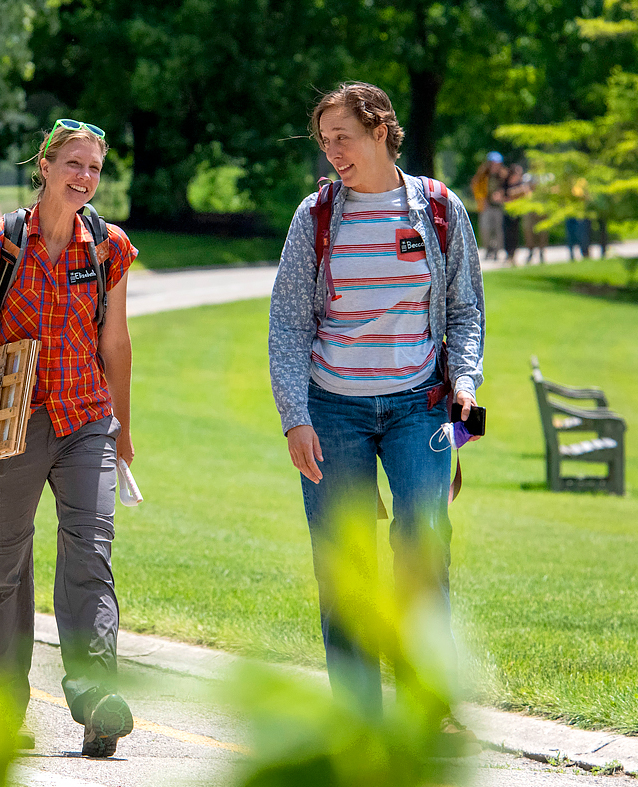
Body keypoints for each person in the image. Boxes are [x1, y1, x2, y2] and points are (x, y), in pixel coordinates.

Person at [268, 83, 484, 743]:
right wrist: (294, 416)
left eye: (345, 138)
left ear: (383, 130)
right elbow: (288, 323)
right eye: (325, 139)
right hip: (333, 409)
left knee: (424, 548)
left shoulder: (440, 208)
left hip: (422, 405)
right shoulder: (317, 215)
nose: (333, 152)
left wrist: (468, 384)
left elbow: (466, 308)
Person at [0, 119, 138, 758]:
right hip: (9, 424)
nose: (84, 178)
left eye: (94, 169)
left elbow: (116, 342)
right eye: (73, 164)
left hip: (86, 419)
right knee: (2, 566)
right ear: (46, 165)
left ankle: (95, 696)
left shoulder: (108, 247)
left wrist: (124, 430)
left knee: (91, 555)